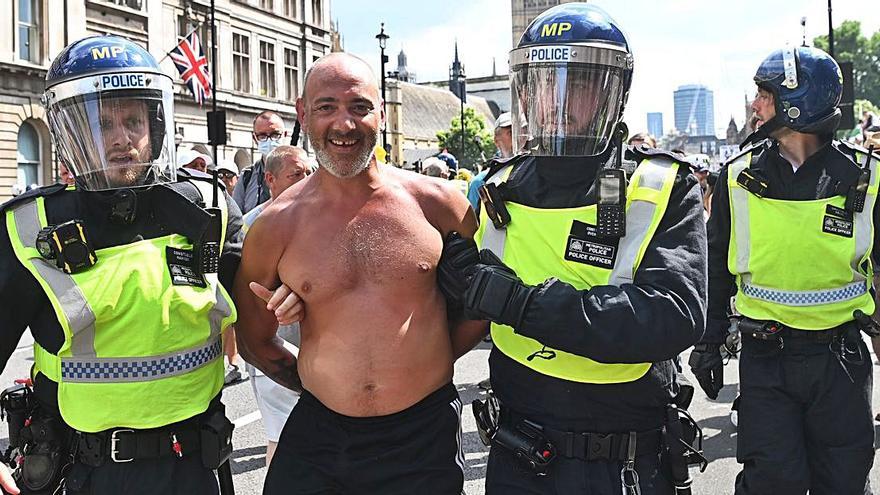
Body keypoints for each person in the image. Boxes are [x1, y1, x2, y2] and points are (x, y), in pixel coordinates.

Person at [440, 4, 707, 494]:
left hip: (624, 461)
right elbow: (461, 317)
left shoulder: (661, 185)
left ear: (615, 93)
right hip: (519, 457)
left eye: (579, 84)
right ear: (525, 94)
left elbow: (673, 315)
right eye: (545, 85)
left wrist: (520, 303)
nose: (559, 102)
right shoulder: (500, 186)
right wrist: (453, 283)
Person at [233, 52, 483, 495]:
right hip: (321, 435)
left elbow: (482, 306)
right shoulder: (274, 226)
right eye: (327, 107)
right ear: (303, 114)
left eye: (359, 107)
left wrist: (427, 364)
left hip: (423, 437)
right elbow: (254, 339)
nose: (344, 125)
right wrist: (316, 382)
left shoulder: (439, 204)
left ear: (382, 114)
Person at [0, 35, 239, 495]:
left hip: (197, 465)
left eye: (133, 120)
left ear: (156, 128)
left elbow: (270, 296)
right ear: (71, 134)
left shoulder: (207, 208)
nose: (121, 138)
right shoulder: (28, 228)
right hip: (86, 471)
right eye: (101, 123)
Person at [690, 45, 878, 494]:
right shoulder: (737, 177)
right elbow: (715, 266)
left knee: (844, 483)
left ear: (798, 101)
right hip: (765, 361)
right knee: (771, 483)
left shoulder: (865, 178)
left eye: (764, 94)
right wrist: (708, 342)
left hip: (842, 363)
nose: (755, 105)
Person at [240, 145, 312, 467]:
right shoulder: (250, 226)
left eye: (309, 172)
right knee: (282, 439)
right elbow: (243, 296)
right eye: (297, 174)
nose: (306, 179)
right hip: (275, 349)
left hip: (320, 346)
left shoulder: (323, 217)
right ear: (270, 178)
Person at [233, 111, 286, 213]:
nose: (269, 140)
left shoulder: (302, 171)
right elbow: (236, 219)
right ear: (254, 138)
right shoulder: (247, 177)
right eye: (262, 136)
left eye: (275, 134)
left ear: (284, 134)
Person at [468, 112, 513, 213]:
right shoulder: (480, 182)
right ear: (496, 141)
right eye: (511, 133)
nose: (519, 138)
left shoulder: (538, 174)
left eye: (523, 132)